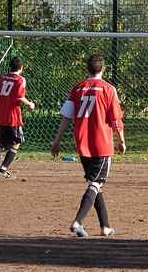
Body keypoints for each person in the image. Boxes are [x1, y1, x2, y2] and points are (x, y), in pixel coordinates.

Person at [51, 54, 125, 238]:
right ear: (103, 69)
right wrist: (121, 140)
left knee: (95, 184)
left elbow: (67, 116)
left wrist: (57, 140)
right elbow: (115, 119)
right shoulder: (109, 89)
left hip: (82, 143)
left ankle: (105, 227)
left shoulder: (77, 88)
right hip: (102, 144)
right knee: (95, 183)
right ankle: (78, 222)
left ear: (87, 69)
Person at [0, 56, 36, 179]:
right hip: (13, 116)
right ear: (21, 67)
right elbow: (19, 96)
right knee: (17, 142)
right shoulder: (20, 79)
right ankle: (3, 169)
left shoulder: (3, 78)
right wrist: (30, 104)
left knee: (5, 144)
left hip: (2, 114)